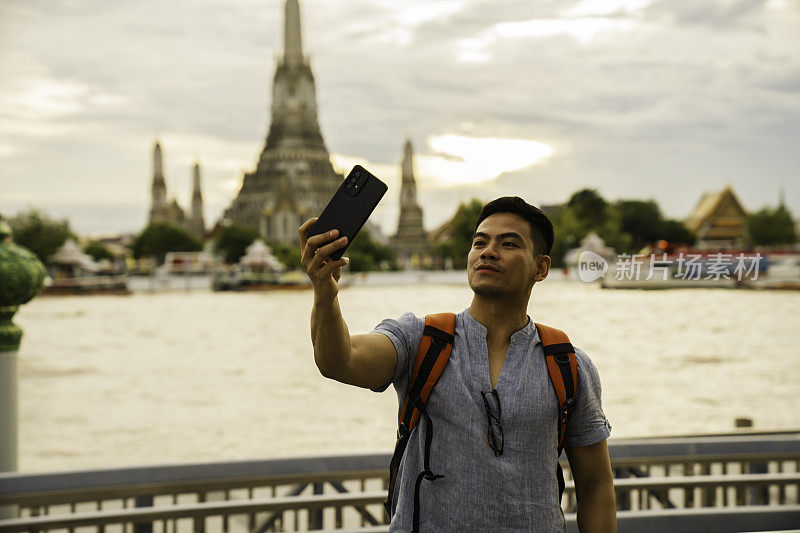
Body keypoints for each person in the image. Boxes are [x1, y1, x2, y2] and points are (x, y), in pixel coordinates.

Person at [299, 196, 616, 532]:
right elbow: (339, 360)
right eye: (480, 242)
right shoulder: (420, 339)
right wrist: (325, 291)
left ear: (541, 268)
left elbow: (595, 484)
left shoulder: (568, 365)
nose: (488, 251)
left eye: (508, 244)